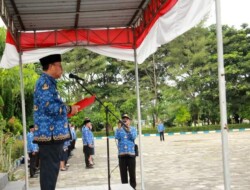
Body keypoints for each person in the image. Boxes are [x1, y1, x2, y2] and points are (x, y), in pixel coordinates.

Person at [33, 54, 79, 190]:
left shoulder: (49, 82)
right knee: (49, 172)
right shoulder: (44, 82)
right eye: (60, 65)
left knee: (51, 172)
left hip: (52, 135)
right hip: (49, 135)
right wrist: (69, 108)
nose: (62, 69)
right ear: (51, 66)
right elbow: (50, 107)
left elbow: (52, 106)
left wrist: (68, 110)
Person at [115, 114, 137, 189]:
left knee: (132, 174)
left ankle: (133, 188)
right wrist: (118, 128)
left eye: (126, 119)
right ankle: (125, 188)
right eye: (123, 120)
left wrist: (128, 130)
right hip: (122, 155)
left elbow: (133, 137)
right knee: (123, 175)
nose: (125, 121)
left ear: (129, 121)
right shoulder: (119, 129)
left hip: (131, 155)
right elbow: (116, 137)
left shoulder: (133, 129)